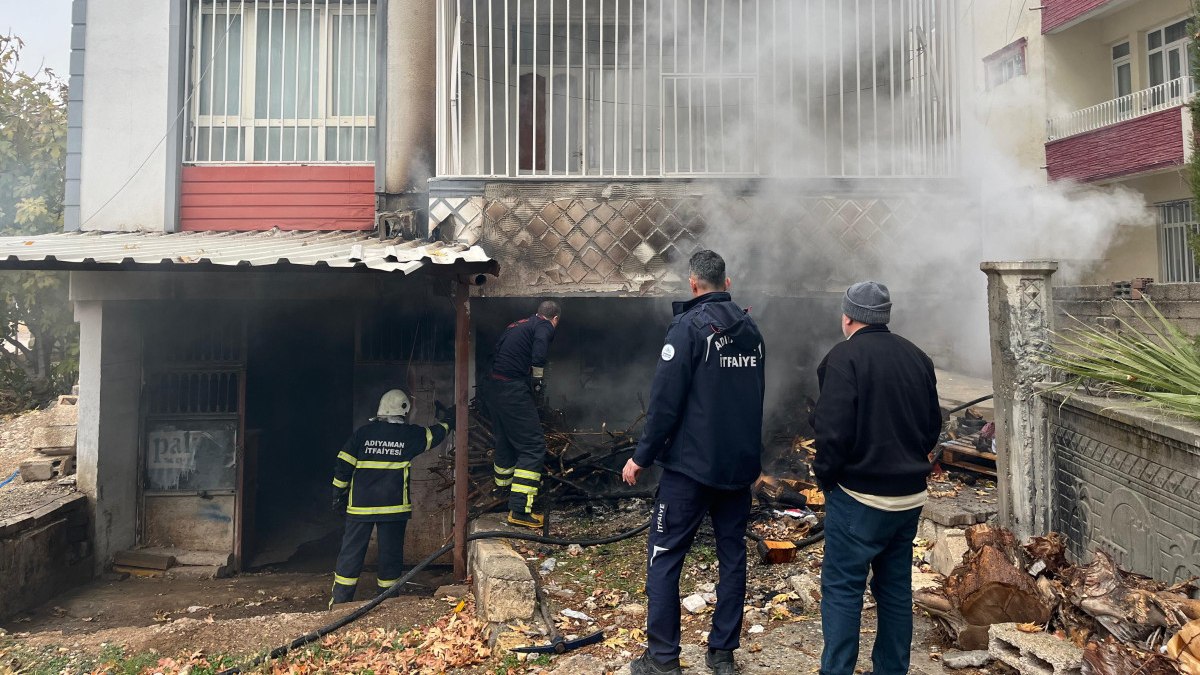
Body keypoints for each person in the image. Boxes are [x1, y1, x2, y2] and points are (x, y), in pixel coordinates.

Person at [622, 250, 766, 675]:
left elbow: (664, 405)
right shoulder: (752, 331)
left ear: (692, 284)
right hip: (737, 470)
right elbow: (754, 395)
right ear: (727, 281)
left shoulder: (687, 329)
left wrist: (640, 458)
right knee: (732, 558)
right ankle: (722, 655)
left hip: (690, 471)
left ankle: (663, 659)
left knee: (664, 556)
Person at [810, 281, 942, 675]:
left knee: (842, 589)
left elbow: (831, 433)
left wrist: (826, 478)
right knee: (895, 588)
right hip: (909, 498)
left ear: (848, 317)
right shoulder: (917, 357)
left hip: (859, 498)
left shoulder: (842, 358)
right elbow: (932, 426)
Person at [329, 389, 455, 606]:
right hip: (393, 508)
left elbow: (343, 466)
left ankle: (340, 603)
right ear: (404, 410)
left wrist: (338, 495)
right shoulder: (409, 435)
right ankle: (387, 603)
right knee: (390, 557)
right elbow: (435, 435)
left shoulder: (362, 434)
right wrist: (450, 421)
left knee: (350, 554)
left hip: (360, 507)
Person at [485, 300, 561, 529]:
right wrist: (538, 381)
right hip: (512, 390)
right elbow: (539, 350)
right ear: (555, 318)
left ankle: (502, 492)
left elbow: (497, 353)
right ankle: (519, 510)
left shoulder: (517, 325)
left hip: (494, 389)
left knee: (506, 440)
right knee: (533, 446)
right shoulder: (544, 325)